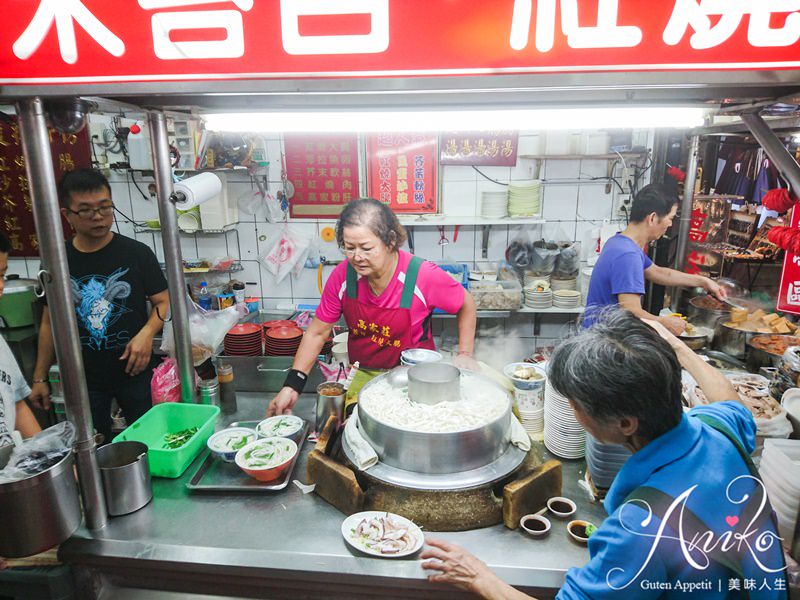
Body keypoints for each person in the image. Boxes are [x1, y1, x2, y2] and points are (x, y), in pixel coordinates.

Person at [422, 309, 787, 599]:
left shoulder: (640, 529)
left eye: (577, 404)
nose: (572, 411)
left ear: (626, 423)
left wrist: (478, 577)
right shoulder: (719, 430)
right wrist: (674, 348)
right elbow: (727, 396)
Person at [267, 198, 477, 417]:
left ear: (390, 241)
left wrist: (465, 353)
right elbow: (317, 332)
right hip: (364, 377)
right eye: (349, 248)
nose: (357, 257)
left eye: (366, 248)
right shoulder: (342, 277)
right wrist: (292, 385)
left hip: (418, 379)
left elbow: (466, 303)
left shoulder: (421, 276)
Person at [28, 169, 169, 443]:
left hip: (136, 372)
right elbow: (49, 320)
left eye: (105, 207)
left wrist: (146, 334)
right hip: (82, 378)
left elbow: (163, 301)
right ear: (67, 214)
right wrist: (39, 377)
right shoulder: (56, 261)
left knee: (150, 442)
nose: (98, 216)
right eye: (86, 210)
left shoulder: (137, 253)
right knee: (91, 447)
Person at [585, 184, 726, 335]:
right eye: (670, 218)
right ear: (652, 218)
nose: (670, 224)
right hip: (604, 343)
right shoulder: (628, 255)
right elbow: (630, 311)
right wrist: (664, 323)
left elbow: (658, 272)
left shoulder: (619, 242)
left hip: (599, 336)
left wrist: (703, 282)